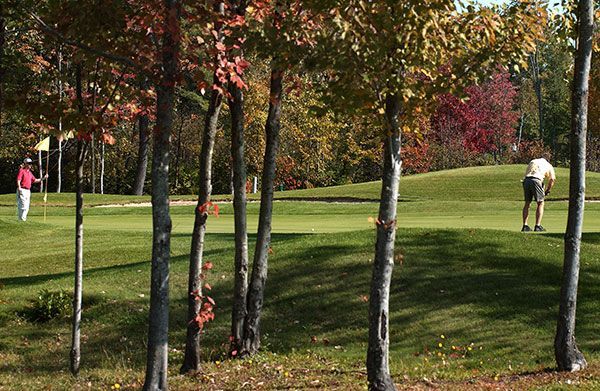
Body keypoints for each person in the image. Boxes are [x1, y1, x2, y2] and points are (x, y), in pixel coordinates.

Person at [521, 157, 556, 232]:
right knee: (540, 203)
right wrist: (548, 190)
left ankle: (525, 225)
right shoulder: (548, 165)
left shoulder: (532, 161)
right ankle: (538, 225)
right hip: (536, 180)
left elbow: (527, 173)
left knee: (527, 203)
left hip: (526, 180)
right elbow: (552, 179)